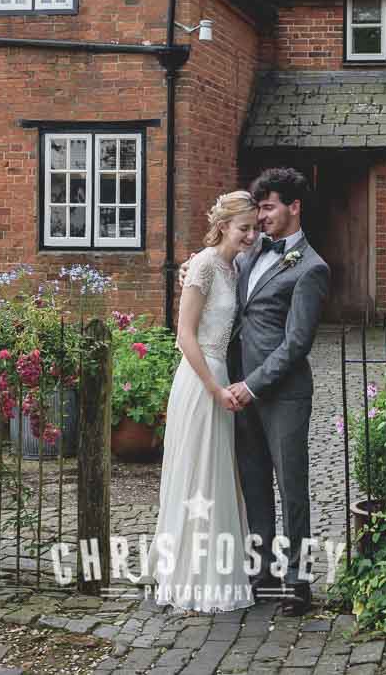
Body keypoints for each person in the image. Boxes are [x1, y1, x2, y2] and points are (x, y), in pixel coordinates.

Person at [149, 190, 258, 612]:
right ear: (224, 225)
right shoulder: (206, 266)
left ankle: (217, 569)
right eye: (243, 228)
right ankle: (191, 577)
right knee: (196, 472)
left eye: (253, 228)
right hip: (200, 381)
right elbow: (184, 336)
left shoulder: (232, 267)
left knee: (216, 473)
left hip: (221, 378)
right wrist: (214, 389)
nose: (250, 235)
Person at [226, 166, 329, 617]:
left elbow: (296, 343)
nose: (262, 216)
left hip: (282, 395)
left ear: (294, 206)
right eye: (260, 208)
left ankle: (299, 583)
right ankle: (261, 573)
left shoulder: (311, 268)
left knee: (293, 490)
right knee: (254, 486)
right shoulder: (249, 254)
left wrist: (253, 385)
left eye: (269, 207)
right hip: (239, 390)